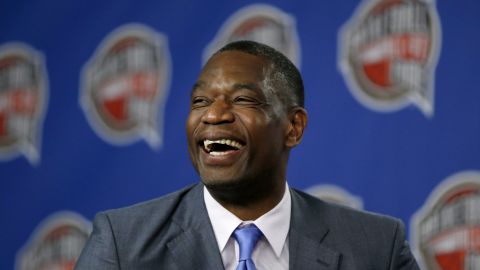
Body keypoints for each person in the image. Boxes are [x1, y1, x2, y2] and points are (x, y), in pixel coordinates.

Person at [75, 40, 420, 270]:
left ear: (294, 127)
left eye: (241, 100)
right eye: (200, 102)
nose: (213, 115)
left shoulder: (377, 247)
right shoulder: (123, 244)